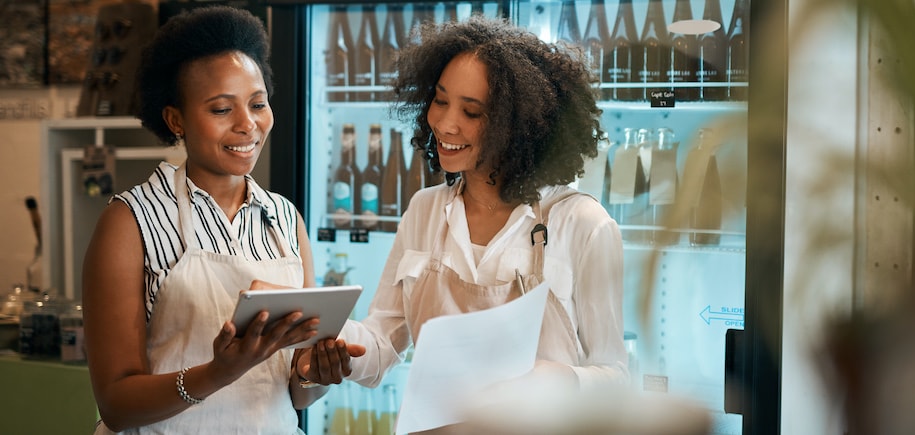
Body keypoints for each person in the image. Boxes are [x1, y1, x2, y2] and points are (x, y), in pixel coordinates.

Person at [336, 14, 628, 427]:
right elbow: (382, 345)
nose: (445, 123)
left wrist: (558, 379)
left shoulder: (583, 223)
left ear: (519, 126)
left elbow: (615, 379)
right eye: (440, 100)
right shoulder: (425, 209)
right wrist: (330, 338)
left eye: (471, 111)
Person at [81, 6, 359, 434]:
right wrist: (218, 372)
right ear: (176, 119)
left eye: (257, 104)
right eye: (220, 110)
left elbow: (292, 390)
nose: (248, 126)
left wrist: (313, 373)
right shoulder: (130, 222)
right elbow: (117, 405)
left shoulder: (284, 219)